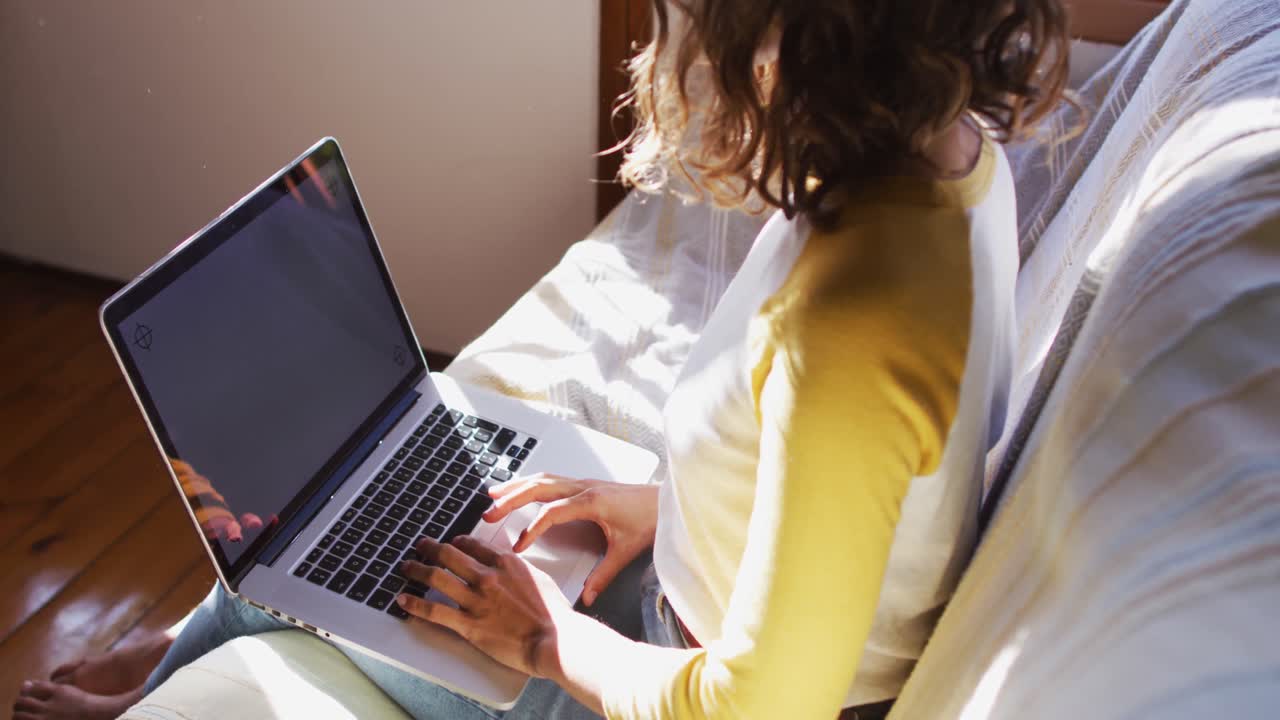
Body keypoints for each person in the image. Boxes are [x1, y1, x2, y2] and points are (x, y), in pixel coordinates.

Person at [13, 1, 1072, 718]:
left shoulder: (856, 315)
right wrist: (670, 507)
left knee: (302, 545)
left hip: (674, 673)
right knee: (348, 523)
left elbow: (761, 707)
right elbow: (854, 479)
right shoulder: (947, 161)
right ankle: (188, 642)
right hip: (687, 605)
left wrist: (542, 642)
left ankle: (163, 674)